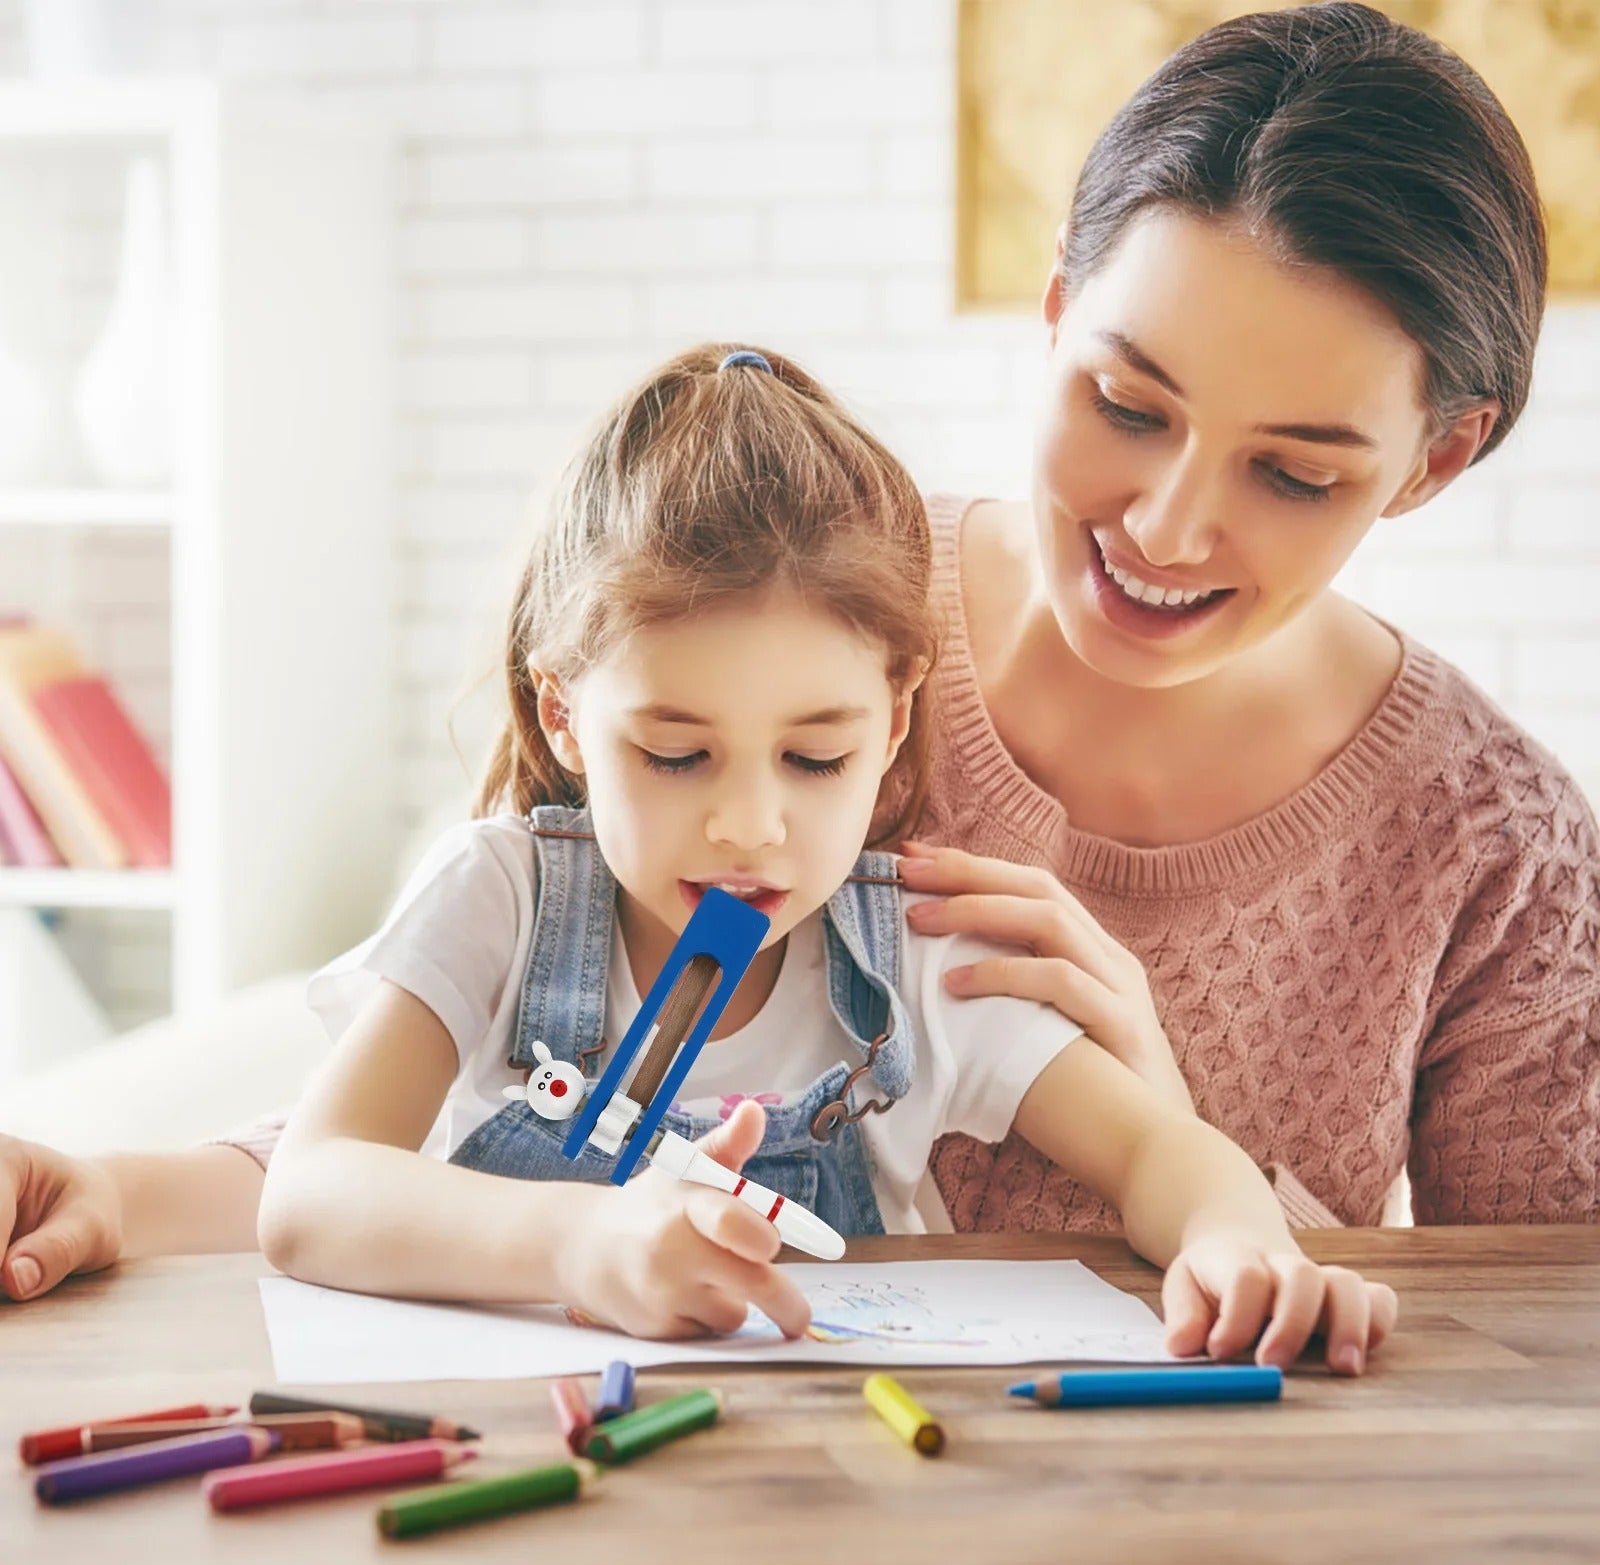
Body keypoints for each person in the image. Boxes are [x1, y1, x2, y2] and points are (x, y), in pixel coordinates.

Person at [5, 0, 1595, 1306]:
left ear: (1434, 463)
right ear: (1053, 315)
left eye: (1295, 472)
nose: (1170, 526)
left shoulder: (1496, 855)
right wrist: (132, 1190)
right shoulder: (807, 591)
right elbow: (484, 1107)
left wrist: (1209, 1168)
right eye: (1127, 404)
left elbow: (1536, 1340)